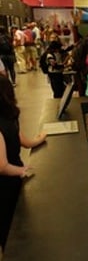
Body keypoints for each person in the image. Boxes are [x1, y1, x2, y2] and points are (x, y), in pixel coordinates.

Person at [0, 75, 46, 250]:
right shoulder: (11, 116)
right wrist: (22, 170)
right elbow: (2, 166)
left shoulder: (9, 117)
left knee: (12, 228)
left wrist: (39, 139)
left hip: (10, 181)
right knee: (12, 225)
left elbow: (22, 141)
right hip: (6, 184)